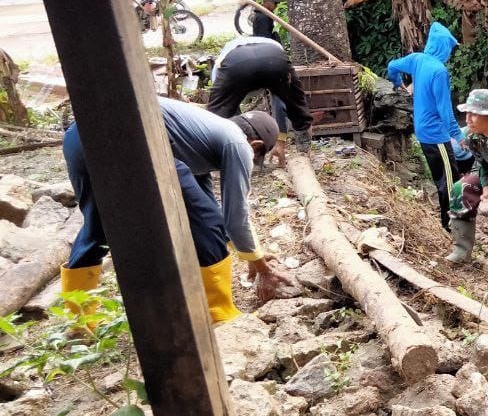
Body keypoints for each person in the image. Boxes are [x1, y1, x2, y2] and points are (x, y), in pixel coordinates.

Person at [60, 98, 290, 322]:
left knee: (98, 225)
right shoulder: (238, 143)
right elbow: (233, 218)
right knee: (208, 224)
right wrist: (260, 265)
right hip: (129, 135)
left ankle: (79, 319)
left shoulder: (198, 133)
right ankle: (220, 314)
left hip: (79, 136)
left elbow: (209, 207)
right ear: (256, 145)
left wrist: (248, 250)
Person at [387, 22, 463, 229]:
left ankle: (450, 220)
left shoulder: (417, 59)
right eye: (449, 49)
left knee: (443, 176)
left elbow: (392, 66)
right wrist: (458, 135)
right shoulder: (439, 71)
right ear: (443, 47)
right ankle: (452, 224)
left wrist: (396, 83)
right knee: (451, 181)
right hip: (436, 134)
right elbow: (444, 109)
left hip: (421, 130)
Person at [206, 29, 312, 166]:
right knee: (297, 107)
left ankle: (226, 158)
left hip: (236, 65)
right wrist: (281, 141)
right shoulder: (273, 45)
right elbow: (281, 104)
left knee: (216, 118)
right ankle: (304, 151)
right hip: (274, 59)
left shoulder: (221, 65)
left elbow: (230, 115)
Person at [445, 88, 488, 265]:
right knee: (462, 187)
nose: (468, 119)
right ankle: (461, 250)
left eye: (474, 114)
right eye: (467, 113)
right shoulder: (472, 137)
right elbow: (482, 164)